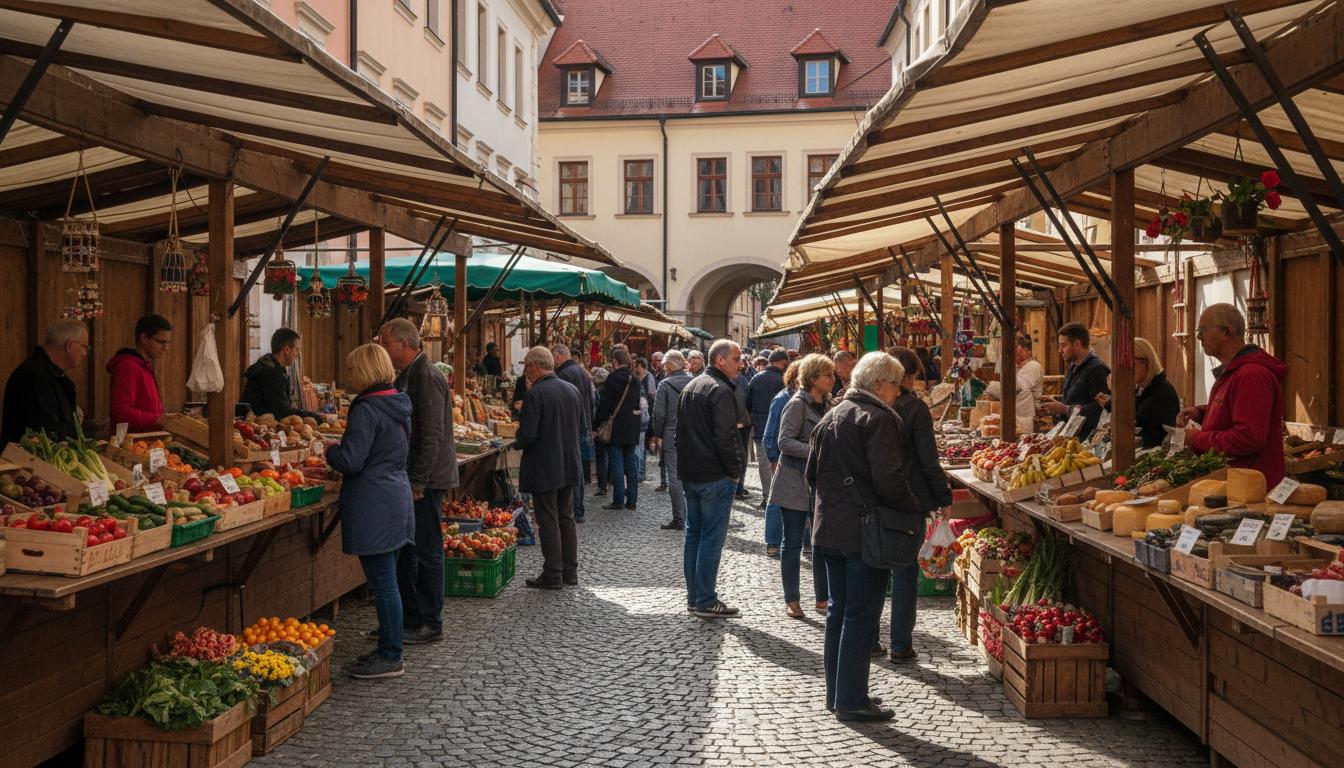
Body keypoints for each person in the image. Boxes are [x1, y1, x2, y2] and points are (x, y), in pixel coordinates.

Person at [806, 351, 922, 721]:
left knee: (840, 613)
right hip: (863, 532)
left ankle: (838, 694)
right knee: (860, 616)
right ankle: (853, 700)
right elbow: (890, 481)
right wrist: (913, 505)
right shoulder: (878, 419)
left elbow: (812, 474)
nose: (898, 391)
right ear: (878, 385)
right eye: (895, 384)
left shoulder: (832, 414)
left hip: (829, 529)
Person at [325, 344, 415, 680]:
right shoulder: (398, 403)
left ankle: (391, 655)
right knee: (387, 580)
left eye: (352, 370)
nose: (350, 376)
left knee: (384, 584)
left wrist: (331, 450)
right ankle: (389, 649)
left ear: (364, 371)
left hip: (375, 502)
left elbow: (352, 460)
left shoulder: (366, 409)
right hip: (396, 496)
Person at [377, 319, 456, 645]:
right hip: (414, 478)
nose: (383, 349)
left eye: (386, 343)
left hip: (427, 480)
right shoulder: (410, 375)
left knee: (426, 551)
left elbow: (432, 434)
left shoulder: (425, 376)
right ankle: (409, 617)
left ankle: (430, 621)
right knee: (409, 552)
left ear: (403, 344)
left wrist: (419, 482)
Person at [887, 348, 954, 662]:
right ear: (910, 374)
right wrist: (944, 497)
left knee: (876, 572)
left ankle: (872, 640)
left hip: (875, 498)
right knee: (904, 573)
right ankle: (900, 644)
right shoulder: (915, 409)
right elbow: (929, 461)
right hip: (910, 498)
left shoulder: (871, 405)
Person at [1178, 303, 1287, 486]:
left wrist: (1197, 439)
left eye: (1203, 330)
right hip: (1235, 482)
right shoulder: (1235, 371)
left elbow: (1248, 438)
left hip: (1252, 488)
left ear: (1226, 332)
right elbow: (1236, 408)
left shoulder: (1251, 375)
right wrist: (1202, 412)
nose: (1198, 337)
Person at [677, 339, 746, 619]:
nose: (740, 364)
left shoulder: (691, 386)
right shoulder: (719, 390)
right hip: (714, 474)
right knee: (709, 538)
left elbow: (679, 432)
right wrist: (736, 470)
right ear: (720, 361)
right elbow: (725, 436)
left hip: (692, 473)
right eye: (736, 359)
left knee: (694, 535)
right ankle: (704, 599)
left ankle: (696, 597)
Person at [771, 354, 834, 620]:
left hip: (818, 483)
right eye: (827, 375)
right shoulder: (795, 404)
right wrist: (816, 451)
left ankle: (822, 599)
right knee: (792, 543)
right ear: (812, 379)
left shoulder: (828, 403)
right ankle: (792, 599)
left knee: (820, 543)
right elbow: (783, 442)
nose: (832, 379)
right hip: (794, 481)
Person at [515, 347, 584, 589]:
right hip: (569, 463)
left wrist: (517, 438)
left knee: (548, 519)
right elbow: (582, 427)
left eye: (526, 368)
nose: (526, 373)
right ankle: (570, 572)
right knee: (566, 517)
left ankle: (553, 573)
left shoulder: (535, 394)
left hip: (545, 466)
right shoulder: (571, 389)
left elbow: (527, 434)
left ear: (535, 366)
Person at [2, 318, 87, 445]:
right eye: (84, 346)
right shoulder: (32, 376)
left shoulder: (56, 377)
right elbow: (44, 430)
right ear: (69, 346)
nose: (85, 353)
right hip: (28, 461)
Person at [1095, 336, 1181, 449]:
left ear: (1146, 362)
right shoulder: (1141, 388)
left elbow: (1159, 437)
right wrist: (1112, 403)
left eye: (1132, 364)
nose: (1127, 369)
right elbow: (1132, 414)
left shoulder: (1162, 393)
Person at [1039, 322, 1110, 440]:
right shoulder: (1073, 367)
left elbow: (1100, 410)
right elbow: (1075, 399)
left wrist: (1064, 409)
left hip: (1087, 445)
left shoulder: (1097, 369)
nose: (1059, 350)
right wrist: (1054, 405)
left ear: (1077, 344)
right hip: (1069, 440)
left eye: (1063, 345)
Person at [761, 361, 801, 558]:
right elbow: (770, 433)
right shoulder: (782, 399)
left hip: (795, 457)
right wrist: (773, 458)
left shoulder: (801, 399)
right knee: (776, 500)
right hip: (781, 456)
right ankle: (773, 542)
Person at [594, 349, 643, 511]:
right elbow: (637, 405)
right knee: (630, 464)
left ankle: (618, 500)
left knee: (617, 464)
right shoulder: (634, 379)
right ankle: (632, 501)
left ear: (615, 362)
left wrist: (596, 426)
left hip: (615, 428)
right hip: (632, 427)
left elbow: (604, 405)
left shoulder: (612, 379)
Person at [107, 314, 171, 433]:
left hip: (147, 441)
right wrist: (156, 419)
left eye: (168, 343)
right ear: (144, 338)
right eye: (161, 342)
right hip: (132, 444)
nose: (165, 348)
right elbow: (121, 412)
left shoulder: (144, 366)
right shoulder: (128, 367)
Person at [652, 351, 693, 530]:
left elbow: (658, 414)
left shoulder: (665, 385)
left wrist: (658, 435)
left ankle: (679, 518)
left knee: (675, 478)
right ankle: (693, 516)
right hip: (693, 434)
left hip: (671, 434)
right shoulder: (694, 382)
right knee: (692, 476)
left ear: (668, 367)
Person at [553, 344, 593, 523]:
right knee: (578, 469)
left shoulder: (564, 375)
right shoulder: (581, 372)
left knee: (571, 470)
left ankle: (573, 509)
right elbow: (590, 401)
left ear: (559, 357)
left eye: (553, 358)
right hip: (583, 425)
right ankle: (579, 509)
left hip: (571, 428)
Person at [243, 328, 317, 420]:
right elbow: (284, 412)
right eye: (297, 350)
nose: (297, 354)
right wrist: (317, 417)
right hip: (258, 428)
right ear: (286, 349)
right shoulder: (271, 375)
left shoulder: (270, 368)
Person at [746, 349, 788, 509]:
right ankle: (780, 498)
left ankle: (767, 498)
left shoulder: (756, 378)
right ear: (781, 362)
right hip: (781, 429)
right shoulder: (783, 380)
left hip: (760, 428)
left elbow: (747, 403)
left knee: (764, 464)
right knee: (781, 464)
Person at [985, 335, 1044, 437]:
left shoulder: (1033, 366)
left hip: (1024, 416)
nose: (1017, 355)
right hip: (1015, 414)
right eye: (1015, 352)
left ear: (1027, 350)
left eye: (1019, 351)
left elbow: (1016, 389)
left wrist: (988, 386)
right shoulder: (1020, 365)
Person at [732, 358, 753, 500]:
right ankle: (738, 489)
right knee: (740, 456)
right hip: (740, 423)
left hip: (739, 422)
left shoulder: (739, 379)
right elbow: (741, 401)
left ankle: (738, 488)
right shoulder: (740, 379)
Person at [634, 357, 656, 483]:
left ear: (640, 365)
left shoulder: (649, 377)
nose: (634, 368)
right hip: (641, 413)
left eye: (636, 365)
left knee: (642, 443)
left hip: (646, 414)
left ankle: (641, 472)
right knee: (640, 444)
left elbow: (652, 395)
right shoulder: (636, 377)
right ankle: (639, 471)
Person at [591, 366, 610, 495]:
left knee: (601, 458)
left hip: (600, 428)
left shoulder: (596, 394)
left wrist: (594, 428)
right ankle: (609, 481)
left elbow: (596, 412)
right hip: (610, 428)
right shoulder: (610, 391)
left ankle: (602, 485)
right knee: (609, 456)